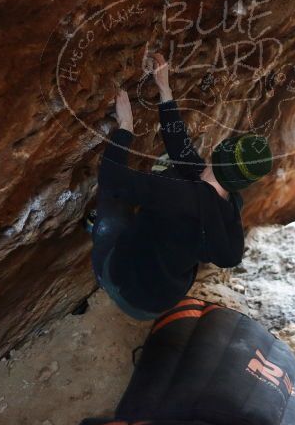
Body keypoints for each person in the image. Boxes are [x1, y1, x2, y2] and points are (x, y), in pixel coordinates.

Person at [90, 53, 273, 320]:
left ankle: (101, 238)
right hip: (165, 297)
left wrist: (125, 127)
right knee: (177, 169)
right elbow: (180, 148)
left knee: (111, 204)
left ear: (220, 153)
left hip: (128, 292)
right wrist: (164, 88)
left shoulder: (178, 194)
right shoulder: (230, 207)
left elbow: (113, 179)